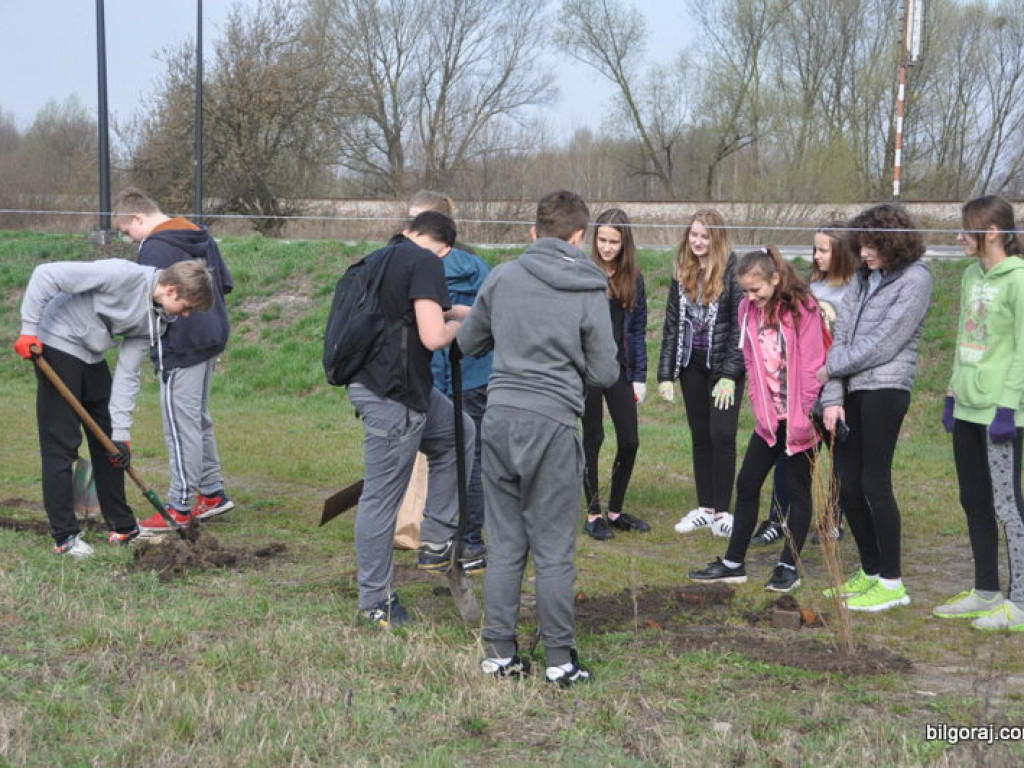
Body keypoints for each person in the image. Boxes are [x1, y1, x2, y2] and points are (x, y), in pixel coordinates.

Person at [458, 190, 618, 686]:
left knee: (505, 544)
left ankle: (500, 654)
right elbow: (606, 372)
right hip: (552, 423)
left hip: (501, 418)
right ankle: (558, 660)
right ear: (579, 237)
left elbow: (468, 344)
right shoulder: (590, 289)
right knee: (552, 549)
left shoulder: (502, 277)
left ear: (533, 233)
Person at [14, 259, 214, 556]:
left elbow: (128, 374)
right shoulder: (121, 275)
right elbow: (46, 274)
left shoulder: (157, 320)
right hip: (56, 342)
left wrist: (121, 433)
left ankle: (123, 527)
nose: (185, 315)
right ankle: (65, 535)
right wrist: (29, 330)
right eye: (185, 307)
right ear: (171, 290)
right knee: (62, 444)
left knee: (111, 446)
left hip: (92, 355)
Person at [346, 210, 475, 628]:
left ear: (408, 231)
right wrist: (462, 330)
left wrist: (458, 312)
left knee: (458, 432)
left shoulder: (382, 258)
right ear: (447, 249)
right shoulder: (426, 262)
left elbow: (415, 312)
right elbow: (433, 337)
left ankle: (436, 537)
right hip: (391, 395)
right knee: (382, 499)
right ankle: (375, 602)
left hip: (385, 385)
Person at [689, 247, 828, 592]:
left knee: (797, 491)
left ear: (775, 279)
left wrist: (803, 419)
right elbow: (750, 361)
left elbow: (812, 369)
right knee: (748, 483)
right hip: (769, 422)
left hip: (801, 420)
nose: (752, 297)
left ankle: (787, 566)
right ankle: (734, 563)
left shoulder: (803, 310)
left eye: (757, 290)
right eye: (747, 291)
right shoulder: (746, 310)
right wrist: (760, 407)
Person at [818, 203, 932, 612]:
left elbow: (885, 343)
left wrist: (828, 367)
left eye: (871, 246)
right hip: (848, 390)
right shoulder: (862, 280)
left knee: (874, 483)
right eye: (860, 246)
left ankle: (892, 582)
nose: (863, 254)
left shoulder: (916, 280)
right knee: (846, 484)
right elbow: (842, 337)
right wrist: (832, 396)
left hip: (886, 389)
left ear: (892, 242)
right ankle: (869, 572)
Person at [112, 188, 235, 534]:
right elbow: (221, 285)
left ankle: (180, 506)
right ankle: (211, 493)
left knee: (181, 428)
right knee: (197, 418)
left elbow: (147, 302)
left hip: (180, 345)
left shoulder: (153, 247)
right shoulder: (198, 232)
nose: (129, 239)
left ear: (138, 218)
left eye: (126, 231)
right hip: (212, 335)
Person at [934, 195, 1024, 631]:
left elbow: (1022, 352)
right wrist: (953, 393)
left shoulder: (1019, 280)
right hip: (967, 406)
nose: (958, 237)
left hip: (1001, 413)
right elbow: (963, 337)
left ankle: (1020, 602)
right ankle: (986, 590)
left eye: (965, 230)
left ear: (991, 232)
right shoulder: (971, 275)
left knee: (1008, 505)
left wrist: (1007, 408)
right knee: (973, 501)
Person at [752, 222, 858, 546]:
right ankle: (778, 518)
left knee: (840, 460)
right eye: (815, 248)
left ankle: (832, 519)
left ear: (841, 251)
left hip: (841, 388)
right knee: (791, 454)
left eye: (823, 249)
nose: (817, 255)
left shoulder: (854, 291)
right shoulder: (810, 287)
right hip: (806, 388)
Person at [409, 190, 492, 572]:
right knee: (463, 456)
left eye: (419, 222)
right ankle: (455, 536)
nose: (411, 231)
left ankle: (469, 541)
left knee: (466, 457)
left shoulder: (419, 267)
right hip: (462, 371)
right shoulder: (479, 265)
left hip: (464, 375)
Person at [657, 209, 745, 538]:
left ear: (717, 238)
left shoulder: (734, 271)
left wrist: (730, 373)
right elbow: (670, 327)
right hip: (690, 365)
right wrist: (666, 374)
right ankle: (705, 508)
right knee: (700, 435)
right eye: (693, 234)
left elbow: (741, 328)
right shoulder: (682, 273)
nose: (698, 241)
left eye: (705, 236)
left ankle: (723, 512)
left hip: (723, 369)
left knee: (722, 435)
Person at [581, 208, 650, 540]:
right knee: (592, 438)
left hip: (619, 369)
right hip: (586, 370)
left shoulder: (633, 277)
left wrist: (639, 374)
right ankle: (593, 513)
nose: (607, 247)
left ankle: (616, 510)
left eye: (614, 242)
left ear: (625, 243)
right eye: (602, 240)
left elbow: (636, 330)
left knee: (630, 440)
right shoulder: (582, 272)